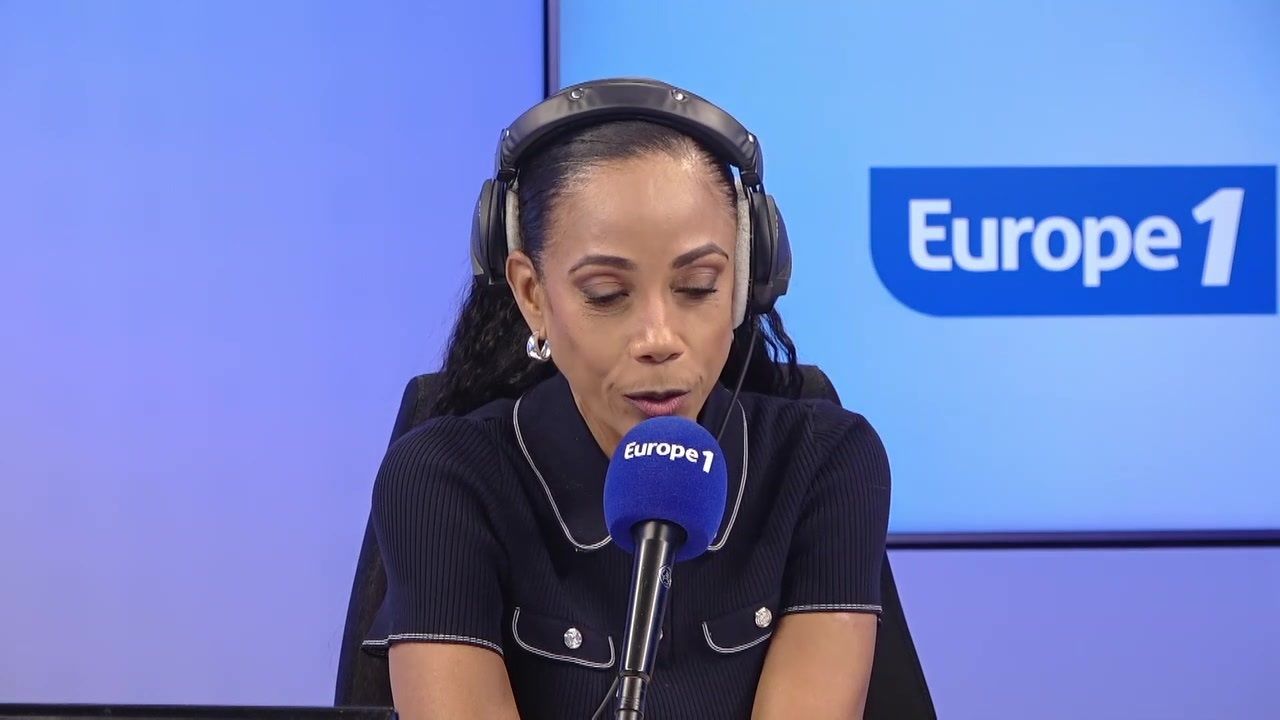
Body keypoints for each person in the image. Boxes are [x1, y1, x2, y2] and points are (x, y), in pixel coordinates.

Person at [361, 78, 891, 719]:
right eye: (607, 295)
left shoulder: (823, 461)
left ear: (745, 282)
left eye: (698, 286)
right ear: (532, 295)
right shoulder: (445, 478)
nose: (659, 339)